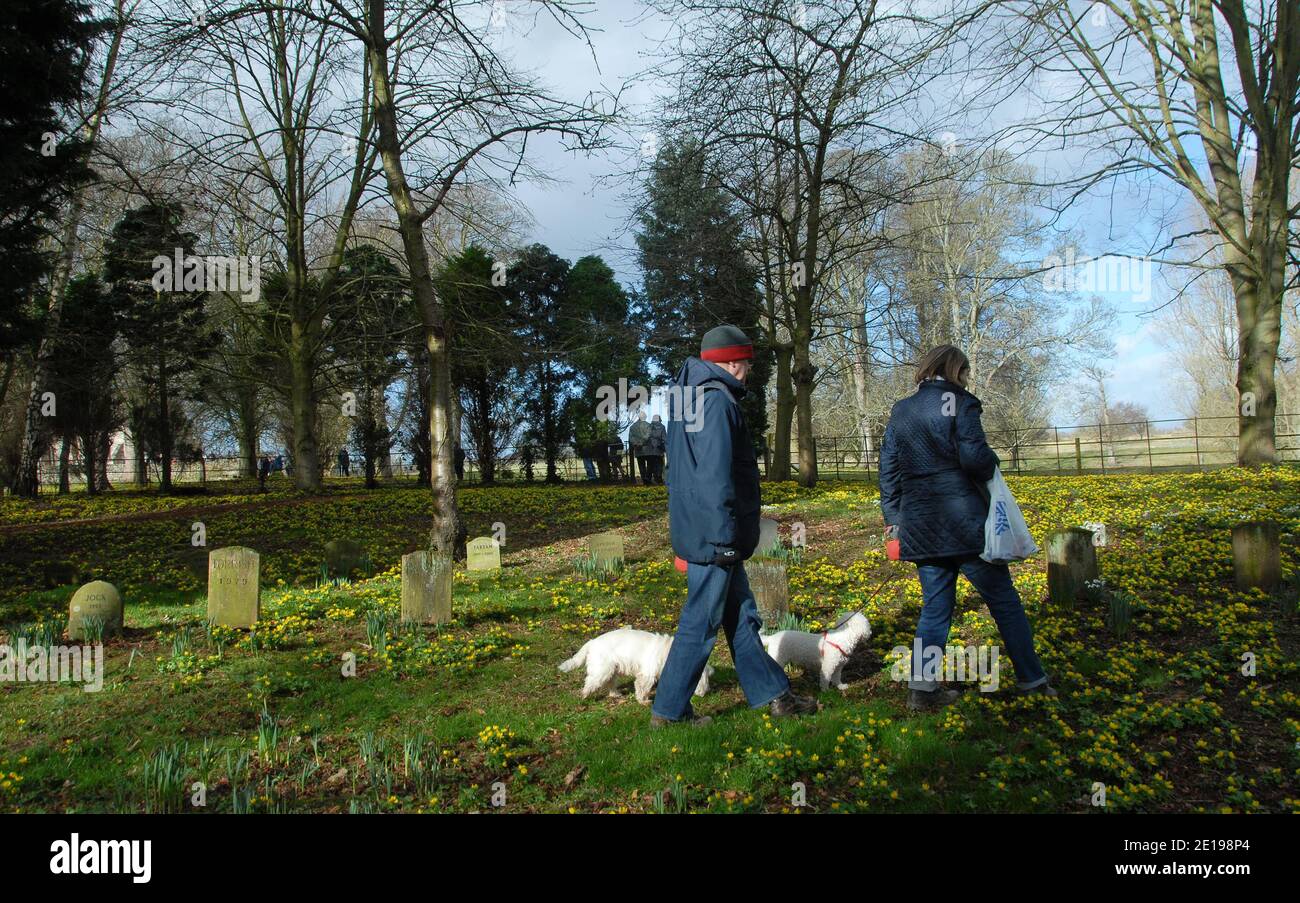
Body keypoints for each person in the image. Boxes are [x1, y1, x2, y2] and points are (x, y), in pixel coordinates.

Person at [652, 325, 818, 727]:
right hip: (715, 535)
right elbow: (714, 477)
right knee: (700, 622)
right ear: (732, 362)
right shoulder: (716, 402)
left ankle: (774, 696)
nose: (748, 369)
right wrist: (725, 537)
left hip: (704, 530)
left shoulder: (688, 399)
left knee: (741, 616)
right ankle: (670, 712)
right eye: (746, 361)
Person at [878, 345, 1056, 711]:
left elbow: (889, 472)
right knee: (1004, 602)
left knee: (934, 609)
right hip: (965, 523)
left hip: (921, 525)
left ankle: (923, 691)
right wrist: (992, 460)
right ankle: (1032, 680)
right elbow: (975, 460)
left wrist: (894, 521)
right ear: (955, 369)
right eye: (966, 372)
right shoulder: (961, 403)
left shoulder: (902, 410)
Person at [629, 410, 653, 485]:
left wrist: (636, 443)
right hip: (647, 448)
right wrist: (642, 443)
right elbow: (648, 435)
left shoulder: (632, 427)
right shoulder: (649, 425)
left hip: (638, 449)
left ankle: (644, 479)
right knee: (650, 464)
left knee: (641, 464)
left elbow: (631, 438)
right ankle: (648, 478)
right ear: (645, 417)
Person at [646, 414, 667, 484]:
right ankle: (658, 478)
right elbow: (664, 438)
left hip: (649, 449)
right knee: (659, 464)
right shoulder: (662, 427)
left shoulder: (648, 426)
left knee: (650, 464)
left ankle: (648, 478)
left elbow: (645, 437)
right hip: (658, 449)